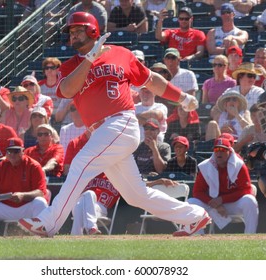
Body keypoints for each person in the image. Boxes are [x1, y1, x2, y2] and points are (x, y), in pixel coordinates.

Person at [18, 12, 211, 238]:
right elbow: (68, 90)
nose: (73, 35)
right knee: (136, 195)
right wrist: (90, 59)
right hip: (102, 133)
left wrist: (183, 98)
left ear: (92, 31)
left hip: (121, 121)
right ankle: (195, 216)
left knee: (81, 163)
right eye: (71, 32)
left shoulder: (121, 54)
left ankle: (49, 223)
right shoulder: (70, 66)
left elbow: (152, 81)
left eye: (78, 30)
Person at [0, 137, 49, 237]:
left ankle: (39, 237)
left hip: (26, 207)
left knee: (40, 202)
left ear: (23, 151)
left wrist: (23, 195)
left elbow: (40, 192)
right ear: (6, 153)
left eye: (16, 151)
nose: (12, 154)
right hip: (5, 207)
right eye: (9, 151)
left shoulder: (34, 166)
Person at [187, 137, 259, 234]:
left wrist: (222, 199)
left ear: (229, 151)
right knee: (191, 202)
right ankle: (197, 236)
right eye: (217, 149)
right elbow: (197, 192)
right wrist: (214, 203)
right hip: (213, 204)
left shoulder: (239, 165)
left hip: (233, 204)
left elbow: (246, 190)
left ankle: (250, 236)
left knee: (250, 201)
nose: (219, 153)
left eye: (223, 150)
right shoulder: (206, 166)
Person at [64, 130, 120, 235]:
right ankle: (91, 227)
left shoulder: (117, 175)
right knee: (87, 195)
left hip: (100, 209)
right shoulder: (89, 172)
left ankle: (75, 234)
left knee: (83, 202)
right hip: (79, 205)